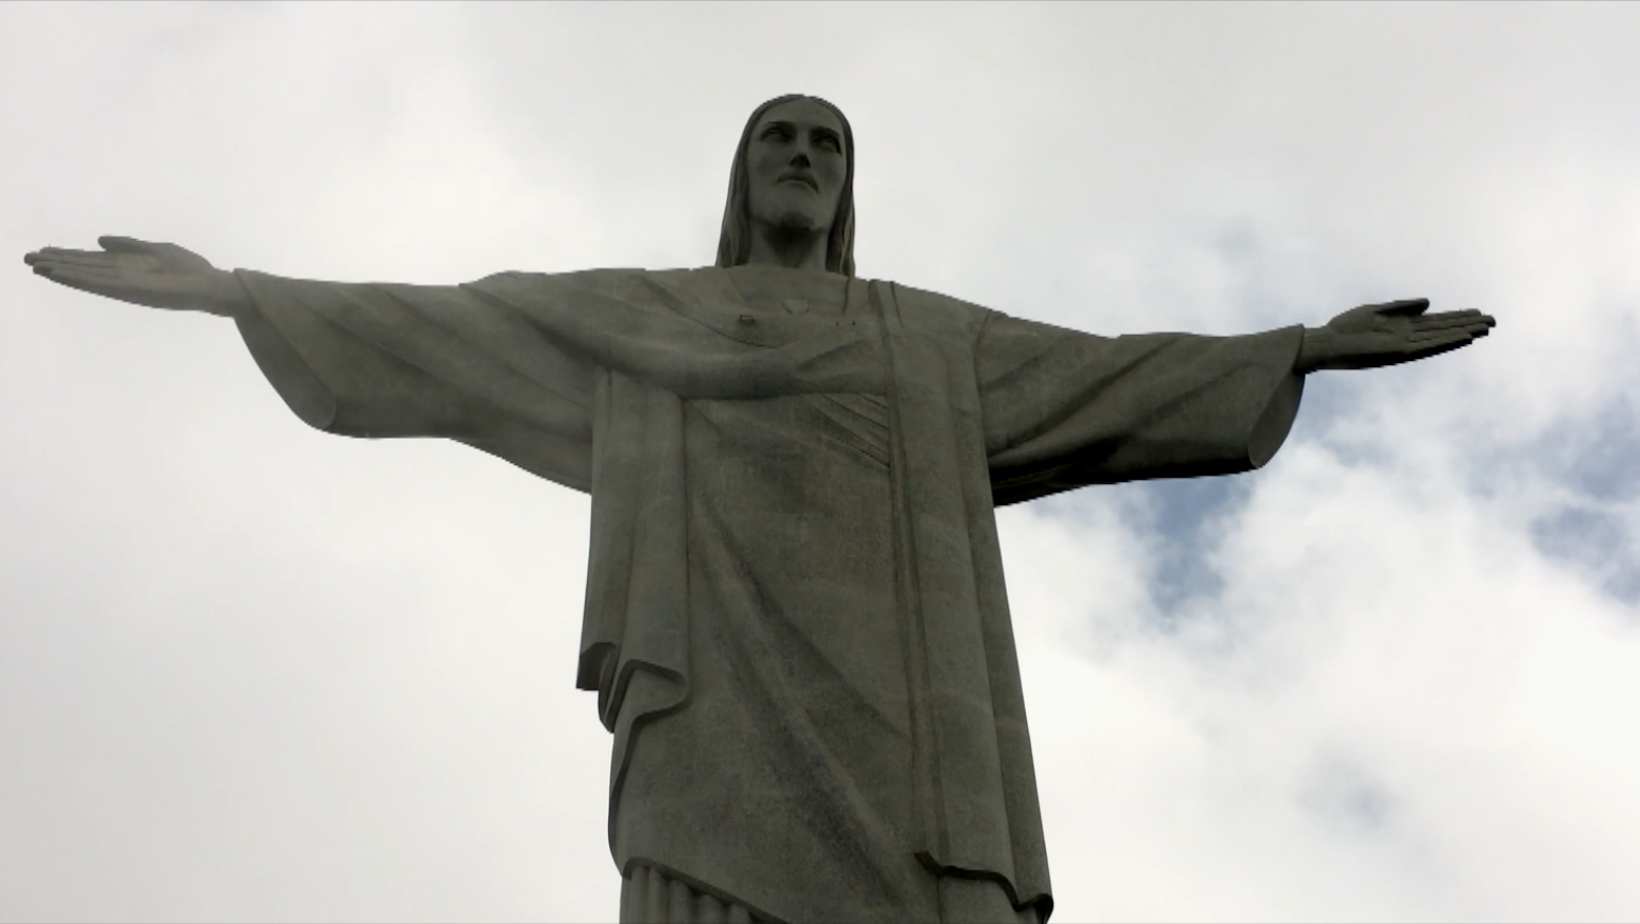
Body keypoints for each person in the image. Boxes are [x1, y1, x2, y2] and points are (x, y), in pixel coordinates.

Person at [24, 94, 1494, 924]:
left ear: (849, 186)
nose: (800, 155)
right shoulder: (643, 314)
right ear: (739, 175)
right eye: (776, 138)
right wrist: (234, 292)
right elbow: (450, 329)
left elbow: (1105, 379)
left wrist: (1290, 347)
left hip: (912, 741)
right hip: (716, 709)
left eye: (826, 142)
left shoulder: (926, 342)